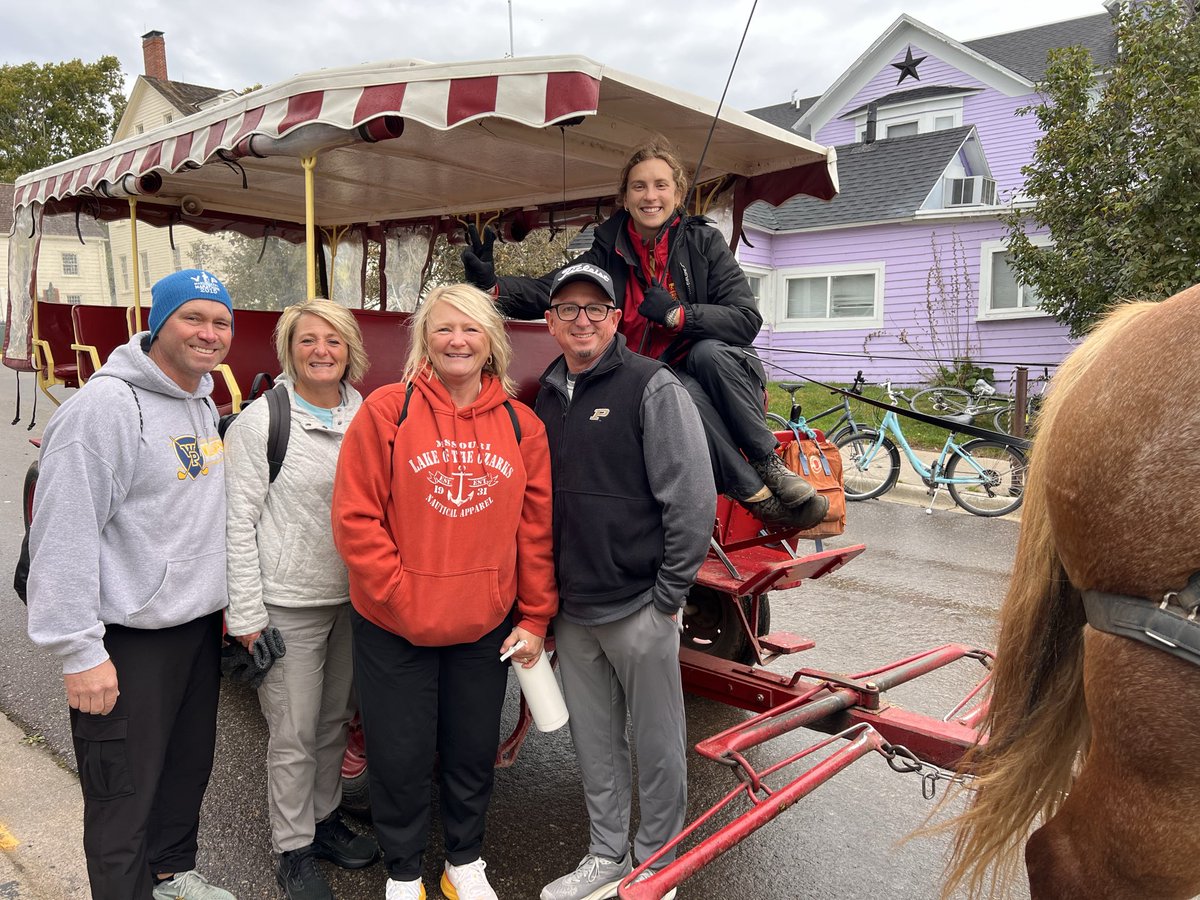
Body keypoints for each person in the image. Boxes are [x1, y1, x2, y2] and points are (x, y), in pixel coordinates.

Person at [462, 138, 827, 531]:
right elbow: (551, 290)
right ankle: (754, 494)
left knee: (705, 355)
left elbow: (744, 319)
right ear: (625, 196)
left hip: (721, 374)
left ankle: (767, 462)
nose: (650, 196)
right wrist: (491, 287)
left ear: (678, 193)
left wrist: (677, 315)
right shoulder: (607, 250)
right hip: (652, 378)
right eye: (639, 186)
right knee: (674, 390)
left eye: (660, 185)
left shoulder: (703, 243)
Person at [331, 284, 558, 900]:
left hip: (482, 625)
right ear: (424, 341)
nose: (457, 341)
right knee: (399, 753)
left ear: (491, 343)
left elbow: (534, 534)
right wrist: (398, 594)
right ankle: (404, 872)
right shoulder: (387, 410)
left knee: (470, 750)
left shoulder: (522, 425)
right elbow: (356, 517)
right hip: (393, 621)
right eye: (443, 329)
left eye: (471, 330)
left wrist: (535, 617)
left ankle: (464, 863)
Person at [25, 269, 238, 900]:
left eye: (220, 322)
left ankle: (171, 878)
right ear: (158, 322)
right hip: (126, 639)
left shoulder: (201, 397)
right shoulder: (105, 411)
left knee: (182, 772)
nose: (208, 333)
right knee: (122, 794)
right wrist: (79, 652)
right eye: (192, 318)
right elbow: (61, 538)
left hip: (193, 628)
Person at [534, 264, 715, 900]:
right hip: (574, 608)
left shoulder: (652, 387)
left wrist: (669, 595)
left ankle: (657, 865)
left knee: (661, 746)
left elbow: (692, 499)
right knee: (596, 745)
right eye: (568, 309)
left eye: (595, 308)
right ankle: (606, 855)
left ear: (616, 319)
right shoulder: (547, 394)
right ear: (550, 322)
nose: (581, 320)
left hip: (640, 603)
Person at [224, 299, 379, 900]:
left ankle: (324, 819)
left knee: (334, 722)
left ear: (350, 352)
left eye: (334, 341)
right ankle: (292, 849)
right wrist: (245, 614)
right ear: (289, 349)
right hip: (287, 602)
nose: (322, 351)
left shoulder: (363, 412)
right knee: (292, 732)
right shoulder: (261, 423)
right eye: (308, 340)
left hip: (352, 599)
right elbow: (237, 523)